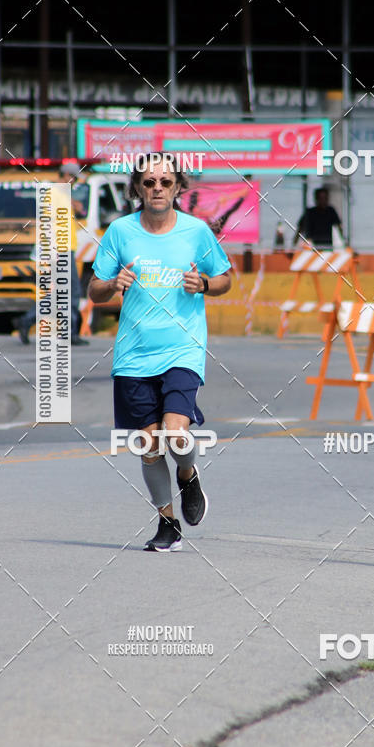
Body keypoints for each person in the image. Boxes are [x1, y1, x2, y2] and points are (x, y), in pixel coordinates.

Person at [88, 153, 231, 552]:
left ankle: (188, 473)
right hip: (133, 355)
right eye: (149, 183)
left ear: (178, 187)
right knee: (149, 445)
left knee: (175, 433)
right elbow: (93, 291)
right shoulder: (119, 232)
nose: (157, 189)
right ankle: (168, 523)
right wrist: (114, 283)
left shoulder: (196, 232)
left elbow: (224, 280)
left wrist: (202, 283)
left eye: (165, 182)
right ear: (137, 187)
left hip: (182, 349)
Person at [18, 161, 89, 345]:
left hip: (64, 248)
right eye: (73, 178)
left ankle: (29, 319)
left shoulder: (61, 194)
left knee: (62, 292)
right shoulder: (54, 194)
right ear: (66, 175)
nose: (74, 181)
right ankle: (69, 332)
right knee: (71, 291)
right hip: (61, 249)